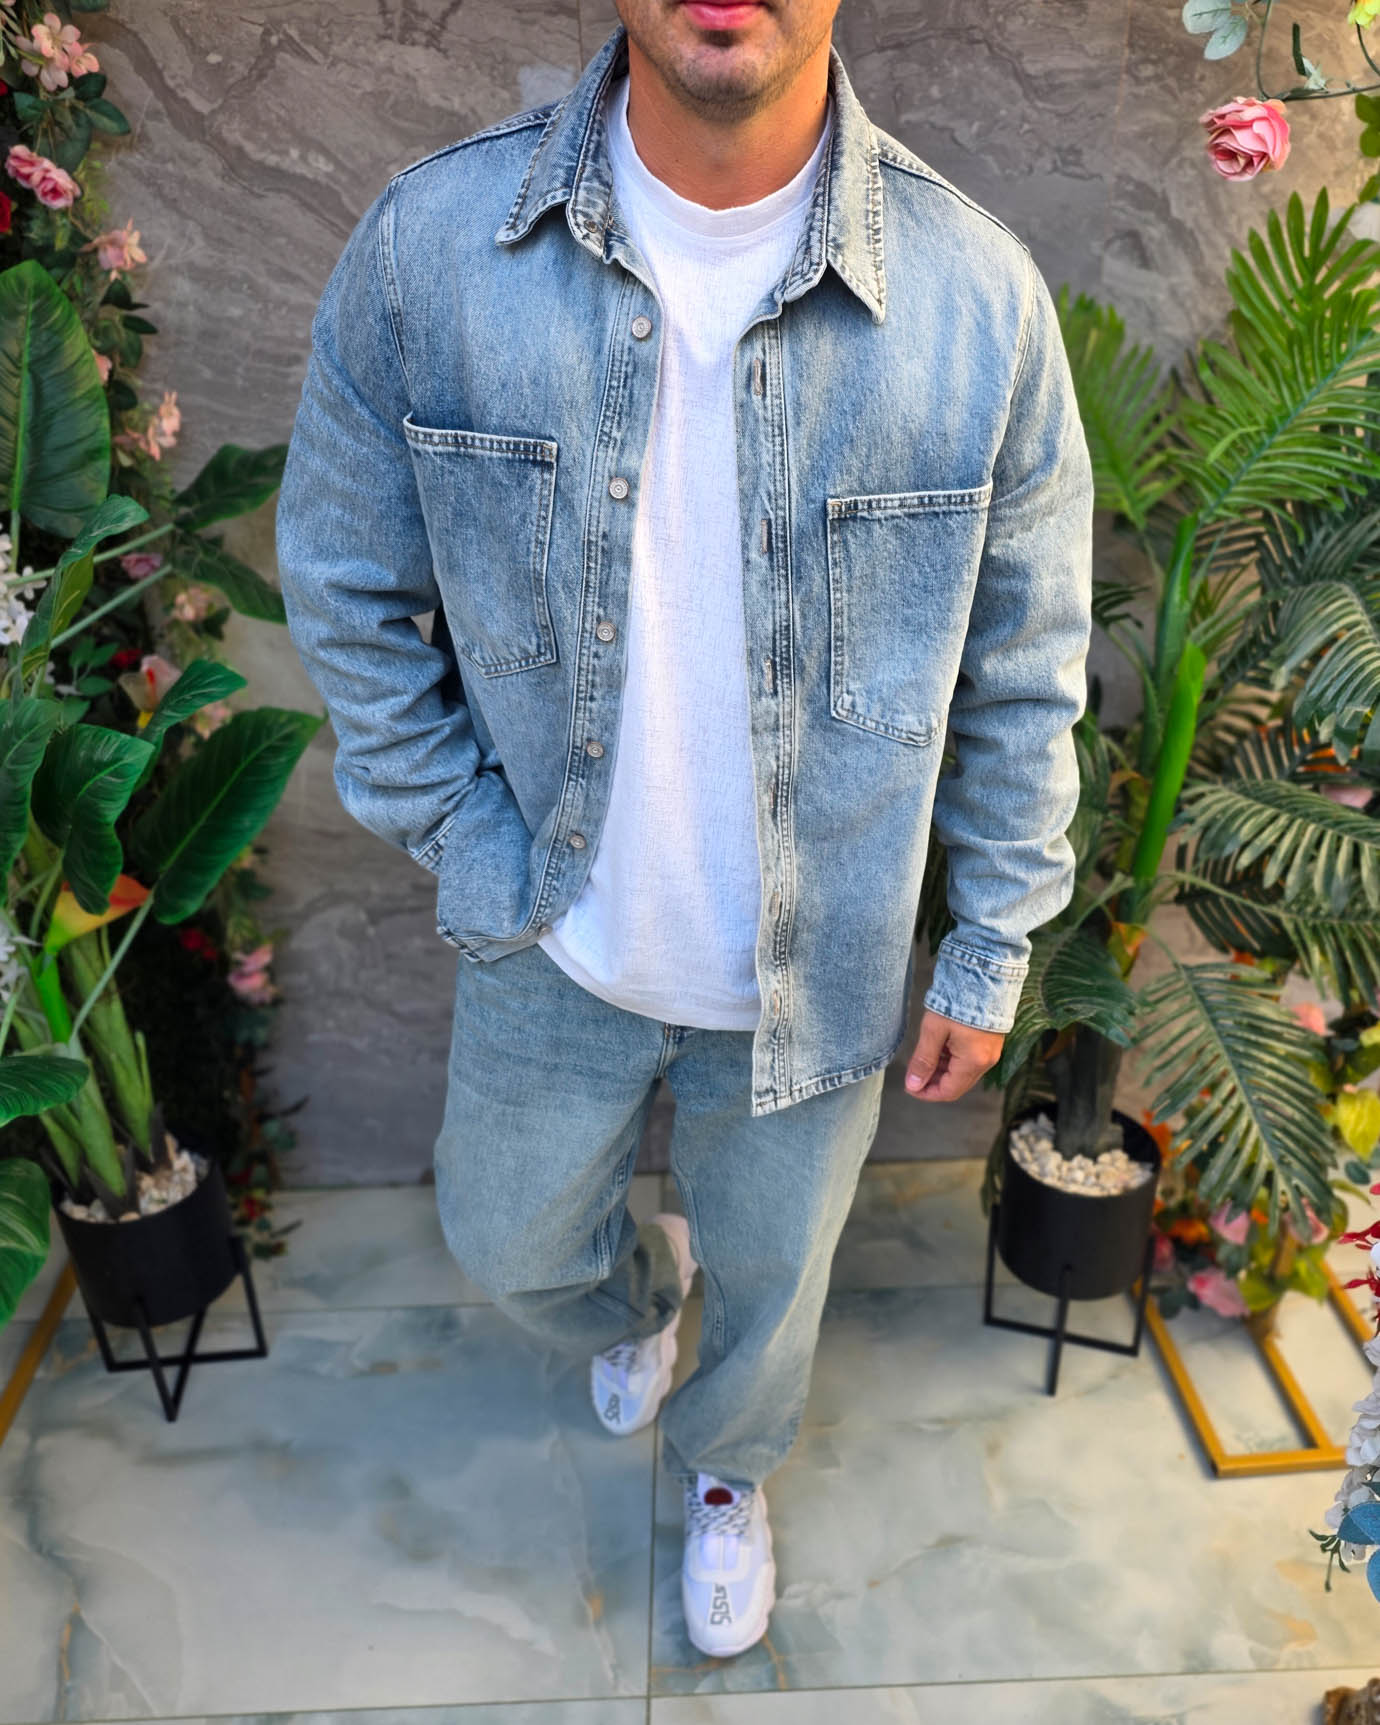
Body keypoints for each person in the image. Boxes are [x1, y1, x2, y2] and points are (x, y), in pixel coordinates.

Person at [274, 0, 1093, 1661]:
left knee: (776, 1285)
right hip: (550, 926)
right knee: (505, 1236)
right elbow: (344, 586)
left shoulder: (976, 298)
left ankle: (729, 1470)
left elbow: (1027, 663)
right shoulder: (433, 251)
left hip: (821, 961)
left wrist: (990, 941)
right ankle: (643, 1293)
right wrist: (470, 839)